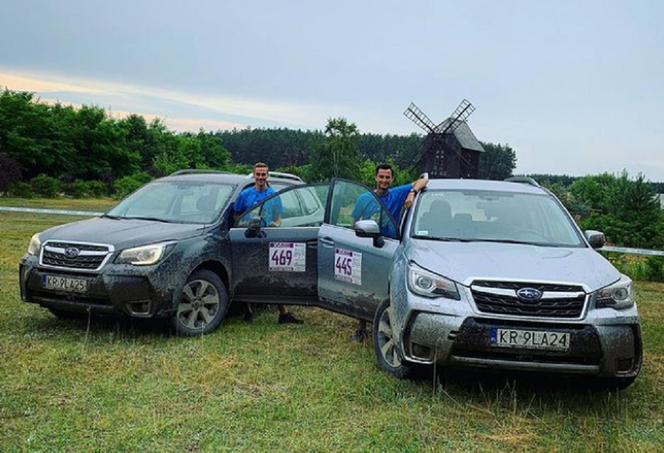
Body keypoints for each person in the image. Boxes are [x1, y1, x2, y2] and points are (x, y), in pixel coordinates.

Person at [349, 162, 428, 342]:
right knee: (364, 286)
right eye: (381, 177)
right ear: (375, 178)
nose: (384, 180)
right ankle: (361, 327)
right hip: (369, 246)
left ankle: (389, 325)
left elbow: (424, 179)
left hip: (391, 248)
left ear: (392, 179)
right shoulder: (364, 198)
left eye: (387, 177)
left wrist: (412, 192)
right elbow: (353, 222)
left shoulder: (397, 193)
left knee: (389, 288)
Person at [233, 162, 303, 325]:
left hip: (268, 239)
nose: (260, 178)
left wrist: (275, 225)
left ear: (267, 176)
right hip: (249, 238)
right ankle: (248, 312)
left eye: (263, 175)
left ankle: (283, 313)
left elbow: (278, 216)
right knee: (247, 274)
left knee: (273, 275)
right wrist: (244, 226)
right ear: (254, 175)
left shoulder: (273, 194)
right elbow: (236, 215)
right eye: (258, 174)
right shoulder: (245, 194)